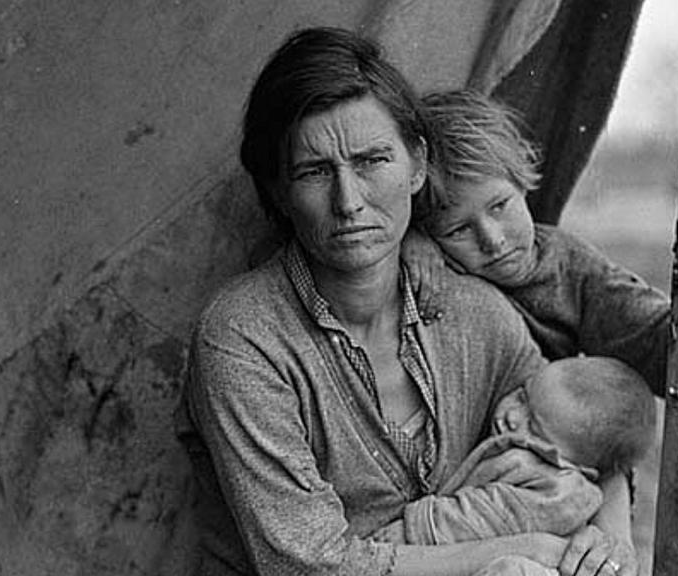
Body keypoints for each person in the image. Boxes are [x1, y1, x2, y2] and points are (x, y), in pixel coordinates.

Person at [175, 27, 636, 576]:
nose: (349, 202)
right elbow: (305, 565)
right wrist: (525, 552)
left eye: (372, 161)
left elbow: (578, 440)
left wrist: (613, 538)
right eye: (315, 171)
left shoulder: (477, 315)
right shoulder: (244, 338)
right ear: (279, 190)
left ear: (417, 165)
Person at [406, 90, 678, 394]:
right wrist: (409, 243)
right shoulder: (428, 263)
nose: (492, 241)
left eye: (499, 206)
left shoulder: (570, 266)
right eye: (458, 230)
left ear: (522, 181)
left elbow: (656, 352)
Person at [372, 356, 655, 551]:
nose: (511, 417)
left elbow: (481, 516)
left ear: (577, 466)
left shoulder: (558, 491)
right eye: (522, 395)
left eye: (533, 426)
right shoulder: (527, 452)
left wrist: (407, 532)